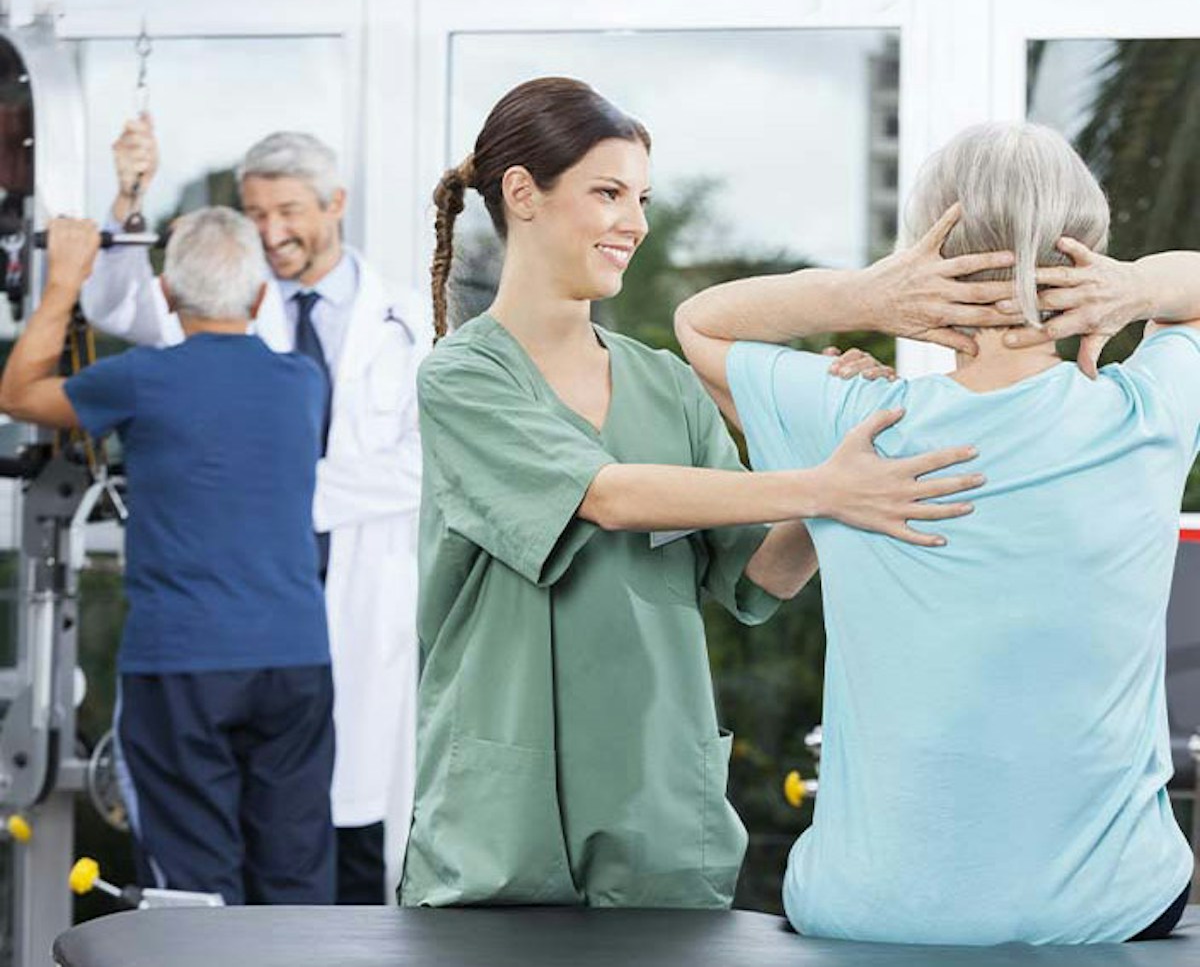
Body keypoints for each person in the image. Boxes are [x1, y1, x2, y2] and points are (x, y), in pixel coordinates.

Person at [399, 77, 1014, 909]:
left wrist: (838, 475)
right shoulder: (462, 378)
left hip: (656, 804)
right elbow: (608, 495)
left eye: (643, 198)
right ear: (523, 194)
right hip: (502, 821)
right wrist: (819, 482)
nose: (637, 223)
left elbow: (762, 576)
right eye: (609, 193)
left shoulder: (668, 385)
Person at [675, 121, 1200, 944]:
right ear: (1088, 252)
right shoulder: (1147, 416)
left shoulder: (853, 420)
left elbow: (699, 321)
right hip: (1110, 906)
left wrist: (867, 297)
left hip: (869, 905)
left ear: (923, 251)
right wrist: (1134, 289)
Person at [80, 118, 425, 904]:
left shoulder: (408, 319)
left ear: (335, 203)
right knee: (217, 854)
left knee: (339, 857)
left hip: (349, 608)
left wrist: (275, 490)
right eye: (255, 213)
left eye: (289, 211)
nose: (272, 232)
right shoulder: (220, 304)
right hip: (243, 622)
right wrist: (130, 193)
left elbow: (429, 461)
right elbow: (113, 303)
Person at [0, 210, 334, 904]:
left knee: (193, 889)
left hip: (185, 665)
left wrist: (64, 280)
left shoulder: (140, 380)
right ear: (262, 298)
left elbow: (18, 393)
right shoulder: (303, 381)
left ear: (171, 296)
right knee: (295, 879)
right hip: (296, 662)